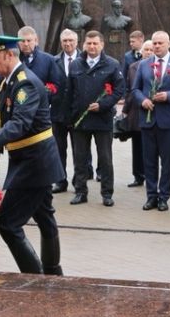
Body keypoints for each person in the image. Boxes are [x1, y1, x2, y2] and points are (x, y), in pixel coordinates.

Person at [0, 35, 63, 275]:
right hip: (31, 161)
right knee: (45, 218)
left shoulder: (24, 83)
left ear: (10, 54)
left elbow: (20, 124)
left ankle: (36, 276)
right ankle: (53, 272)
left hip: (34, 164)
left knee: (7, 223)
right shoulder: (6, 83)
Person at [132, 31, 170, 211]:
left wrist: (168, 95)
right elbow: (135, 89)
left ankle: (164, 196)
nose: (157, 46)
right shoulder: (144, 64)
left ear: (169, 44)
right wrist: (142, 100)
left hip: (167, 120)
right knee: (149, 160)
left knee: (166, 162)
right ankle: (151, 196)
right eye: (155, 43)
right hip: (147, 119)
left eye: (160, 43)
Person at [68, 31, 125, 206]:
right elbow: (70, 92)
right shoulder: (76, 64)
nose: (92, 47)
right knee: (80, 158)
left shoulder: (112, 64)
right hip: (80, 120)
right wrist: (71, 116)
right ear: (84, 44)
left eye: (95, 43)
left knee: (105, 158)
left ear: (102, 45)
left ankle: (107, 193)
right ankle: (80, 191)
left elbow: (119, 90)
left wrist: (103, 105)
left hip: (102, 120)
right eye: (89, 43)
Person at [49, 29, 79, 193]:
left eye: (70, 40)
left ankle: (79, 181)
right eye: (64, 41)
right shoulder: (53, 61)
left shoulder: (84, 60)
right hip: (58, 112)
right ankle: (61, 181)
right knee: (59, 149)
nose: (67, 44)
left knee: (79, 150)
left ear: (77, 41)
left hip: (77, 113)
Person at [121, 39, 153, 187]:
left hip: (154, 112)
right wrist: (125, 110)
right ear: (141, 52)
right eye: (146, 50)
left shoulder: (161, 68)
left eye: (151, 49)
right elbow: (129, 90)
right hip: (136, 112)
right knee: (137, 146)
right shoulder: (133, 67)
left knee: (152, 148)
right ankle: (138, 176)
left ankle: (152, 175)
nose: (149, 52)